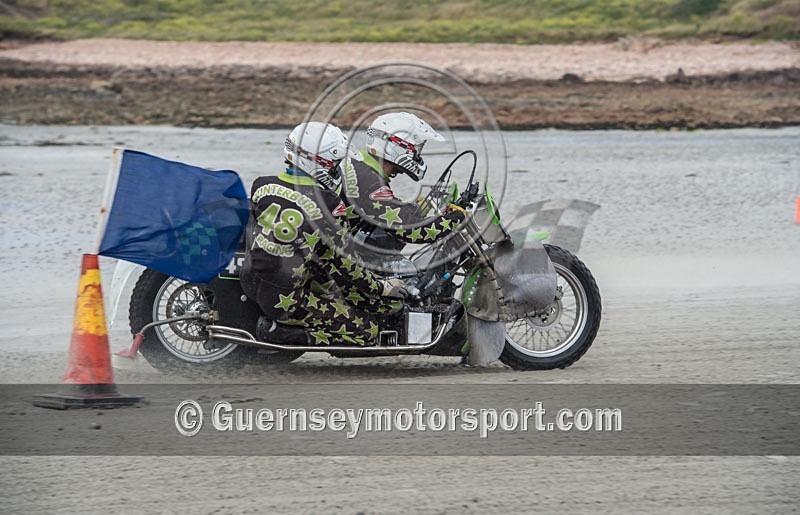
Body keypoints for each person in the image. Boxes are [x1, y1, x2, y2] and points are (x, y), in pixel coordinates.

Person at [239, 122, 408, 346]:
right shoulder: (330, 205)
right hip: (287, 296)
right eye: (335, 165)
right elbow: (345, 264)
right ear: (318, 162)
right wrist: (380, 287)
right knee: (368, 331)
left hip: (252, 279)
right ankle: (277, 332)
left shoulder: (261, 186)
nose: (337, 171)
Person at [337, 112, 467, 268]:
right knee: (402, 287)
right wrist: (456, 217)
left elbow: (379, 209)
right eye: (416, 149)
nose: (417, 155)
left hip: (331, 253)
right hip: (329, 268)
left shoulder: (358, 165)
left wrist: (411, 207)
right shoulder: (369, 182)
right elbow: (411, 230)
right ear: (398, 145)